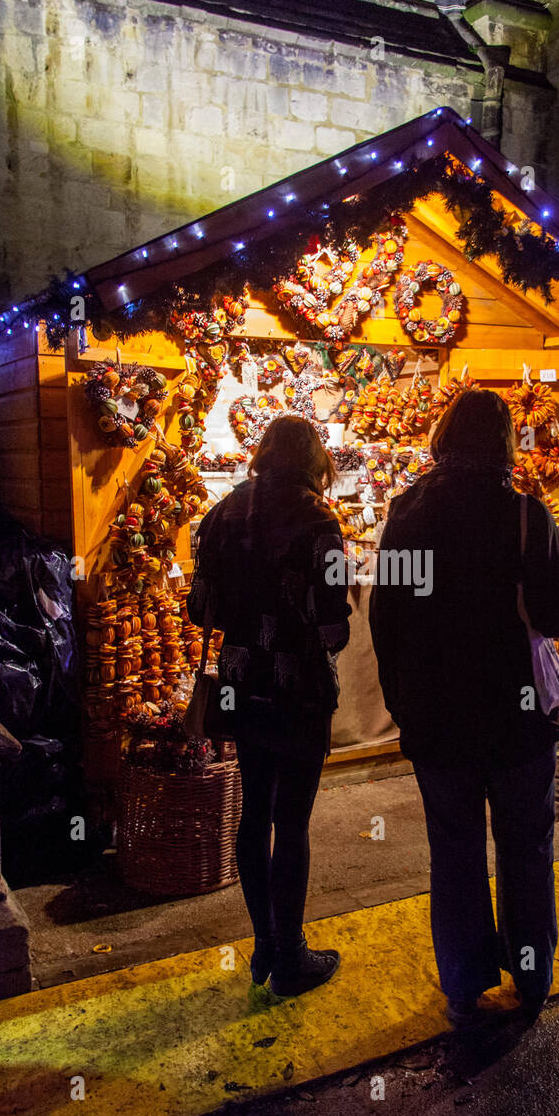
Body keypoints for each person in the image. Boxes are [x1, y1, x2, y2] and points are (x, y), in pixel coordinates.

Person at [369, 389, 559, 1027]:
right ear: (504, 444)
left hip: (437, 719)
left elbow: (387, 619)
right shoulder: (525, 516)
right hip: (516, 719)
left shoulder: (407, 514)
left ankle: (464, 982)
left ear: (442, 437)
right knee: (525, 846)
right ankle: (533, 975)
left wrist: (403, 704)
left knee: (455, 850)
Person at [189, 416, 350, 996]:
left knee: (253, 811)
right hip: (298, 689)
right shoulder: (318, 520)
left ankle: (263, 941)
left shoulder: (225, 512)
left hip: (239, 683)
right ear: (314, 460)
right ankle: (291, 955)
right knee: (293, 820)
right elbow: (335, 627)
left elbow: (196, 606)